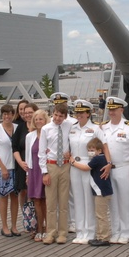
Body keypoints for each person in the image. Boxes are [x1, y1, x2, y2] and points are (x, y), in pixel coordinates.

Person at [99, 96, 129, 245]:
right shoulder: (103, 127)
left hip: (125, 167)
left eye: (115, 109)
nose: (112, 112)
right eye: (110, 109)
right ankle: (115, 231)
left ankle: (126, 232)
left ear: (121, 110)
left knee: (125, 201)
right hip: (109, 169)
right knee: (113, 202)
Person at [68, 99, 103, 244]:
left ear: (88, 114)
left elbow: (103, 148)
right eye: (77, 112)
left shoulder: (95, 129)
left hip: (89, 164)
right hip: (73, 164)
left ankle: (90, 231)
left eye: (82, 112)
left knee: (88, 199)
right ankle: (80, 231)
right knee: (77, 198)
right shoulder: (72, 128)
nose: (79, 115)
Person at [70, 137, 113, 247]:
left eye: (93, 149)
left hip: (101, 191)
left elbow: (85, 168)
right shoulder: (101, 158)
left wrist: (73, 162)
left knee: (101, 215)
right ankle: (99, 236)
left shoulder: (97, 159)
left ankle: (104, 237)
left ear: (99, 150)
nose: (90, 152)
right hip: (101, 190)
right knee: (99, 214)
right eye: (89, 150)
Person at [39, 103, 72, 244]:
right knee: (51, 202)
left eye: (61, 116)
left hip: (64, 166)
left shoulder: (69, 126)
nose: (58, 118)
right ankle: (51, 232)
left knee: (63, 201)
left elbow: (74, 141)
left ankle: (63, 233)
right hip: (51, 165)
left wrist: (71, 152)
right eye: (56, 115)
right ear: (53, 113)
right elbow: (41, 152)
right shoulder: (46, 129)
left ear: (65, 117)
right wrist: (44, 172)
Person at [0, 104, 19, 237]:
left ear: (13, 115)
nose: (7, 116)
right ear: (2, 115)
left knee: (15, 197)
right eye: (5, 114)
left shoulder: (17, 128)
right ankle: (4, 226)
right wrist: (2, 167)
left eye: (9, 114)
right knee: (3, 197)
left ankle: (14, 225)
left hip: (15, 168)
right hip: (2, 168)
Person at [25, 109, 48, 241]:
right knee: (37, 200)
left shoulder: (49, 134)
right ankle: (39, 228)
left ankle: (48, 228)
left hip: (46, 171)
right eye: (36, 119)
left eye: (41, 119)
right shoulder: (30, 136)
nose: (38, 122)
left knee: (46, 200)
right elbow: (28, 156)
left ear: (45, 120)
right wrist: (27, 174)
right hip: (34, 171)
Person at [11, 99, 32, 210]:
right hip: (22, 163)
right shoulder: (20, 127)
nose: (25, 113)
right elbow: (14, 146)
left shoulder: (40, 126)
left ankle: (38, 220)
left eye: (28, 111)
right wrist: (20, 162)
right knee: (23, 191)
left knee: (35, 193)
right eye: (22, 110)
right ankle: (26, 217)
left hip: (36, 164)